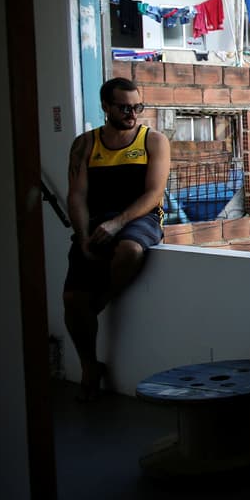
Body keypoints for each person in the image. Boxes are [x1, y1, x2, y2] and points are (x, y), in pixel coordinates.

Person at [63, 77, 170, 401]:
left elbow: (154, 194)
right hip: (96, 221)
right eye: (124, 107)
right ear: (106, 106)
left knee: (129, 250)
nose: (132, 113)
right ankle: (88, 365)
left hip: (141, 218)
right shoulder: (86, 144)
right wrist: (82, 235)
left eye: (137, 106)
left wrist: (117, 223)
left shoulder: (152, 140)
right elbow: (77, 195)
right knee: (71, 300)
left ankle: (102, 301)